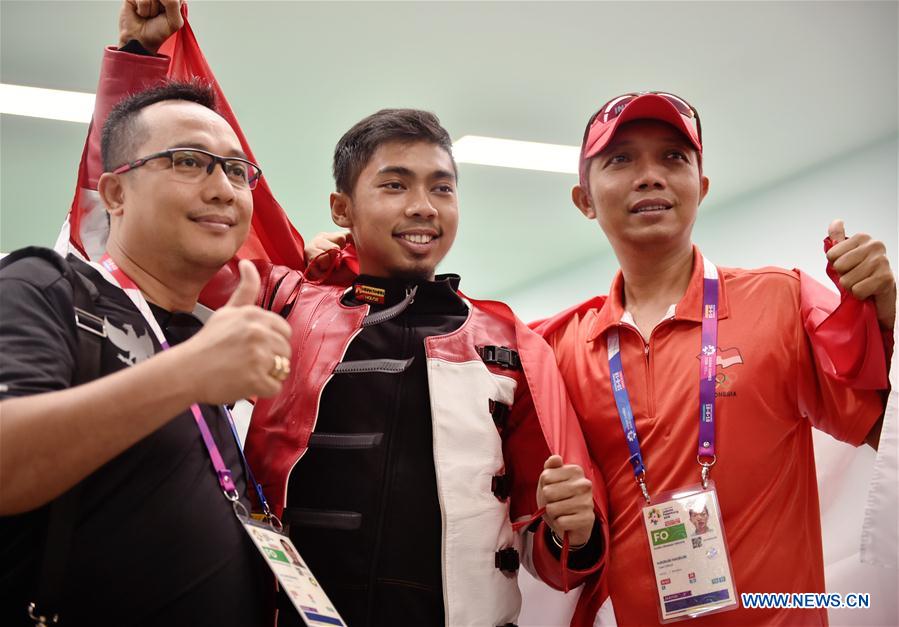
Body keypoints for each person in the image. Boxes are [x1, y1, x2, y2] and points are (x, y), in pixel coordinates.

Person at [83, 3, 610, 626]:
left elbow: (553, 553)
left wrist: (571, 529)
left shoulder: (511, 344)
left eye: (441, 187)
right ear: (342, 207)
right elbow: (154, 223)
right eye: (394, 185)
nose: (423, 206)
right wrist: (141, 62)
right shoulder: (282, 304)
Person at [533, 91, 895, 625]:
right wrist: (567, 530)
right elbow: (550, 562)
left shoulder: (783, 300)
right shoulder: (560, 349)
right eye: (621, 159)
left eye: (674, 157)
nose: (650, 175)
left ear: (700, 188)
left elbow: (888, 436)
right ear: (583, 199)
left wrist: (890, 319)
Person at [0, 82, 292, 625]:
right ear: (114, 193)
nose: (224, 189)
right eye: (189, 161)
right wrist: (187, 374)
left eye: (236, 170)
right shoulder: (45, 288)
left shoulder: (205, 337)